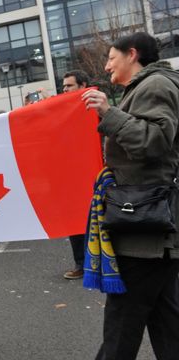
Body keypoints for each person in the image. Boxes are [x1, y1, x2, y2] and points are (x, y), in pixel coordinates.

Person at [82, 32, 179, 360]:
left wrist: (108, 114)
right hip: (154, 229)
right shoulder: (148, 87)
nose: (106, 65)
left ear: (132, 54)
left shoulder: (155, 86)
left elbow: (154, 141)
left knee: (121, 327)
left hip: (145, 230)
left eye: (111, 57)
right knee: (167, 324)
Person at [61, 71, 90, 280]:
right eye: (63, 86)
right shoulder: (62, 111)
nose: (65, 90)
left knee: (95, 221)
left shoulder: (94, 106)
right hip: (71, 177)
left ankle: (97, 262)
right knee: (75, 222)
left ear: (82, 86)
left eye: (69, 86)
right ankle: (81, 263)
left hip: (92, 175)